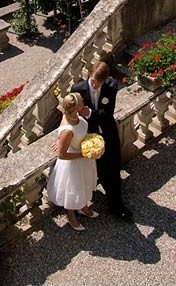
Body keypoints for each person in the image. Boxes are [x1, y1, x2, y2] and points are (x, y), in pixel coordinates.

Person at [71, 61, 133, 222]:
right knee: (89, 171)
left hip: (108, 133)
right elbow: (69, 114)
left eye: (99, 83)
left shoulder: (112, 86)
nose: (95, 85)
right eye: (93, 81)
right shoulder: (78, 89)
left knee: (112, 169)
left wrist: (89, 112)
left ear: (105, 80)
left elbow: (107, 113)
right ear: (89, 75)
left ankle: (116, 205)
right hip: (87, 136)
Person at [46, 92, 99, 231]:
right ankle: (71, 216)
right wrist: (83, 154)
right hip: (74, 162)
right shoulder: (67, 130)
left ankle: (83, 207)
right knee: (73, 190)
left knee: (84, 184)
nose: (84, 102)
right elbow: (62, 155)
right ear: (76, 108)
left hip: (83, 158)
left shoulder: (72, 114)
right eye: (82, 101)